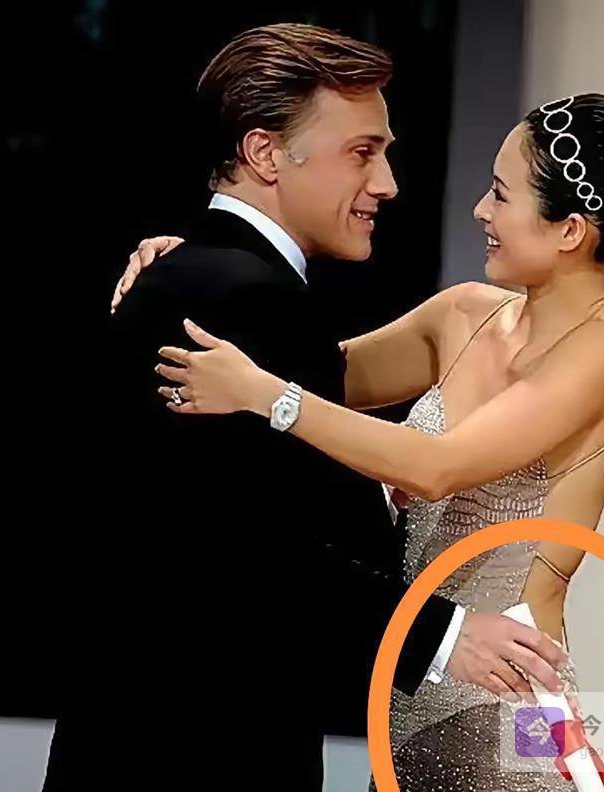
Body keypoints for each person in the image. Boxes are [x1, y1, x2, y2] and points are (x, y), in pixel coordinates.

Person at [119, 92, 604, 789]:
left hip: (508, 698)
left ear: (570, 230)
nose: (481, 211)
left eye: (501, 195)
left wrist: (264, 394)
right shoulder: (463, 314)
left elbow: (435, 467)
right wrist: (194, 274)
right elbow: (312, 368)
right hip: (410, 691)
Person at [98, 23, 570, 792]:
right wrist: (444, 636)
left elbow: (227, 503)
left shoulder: (192, 278)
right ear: (265, 154)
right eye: (361, 152)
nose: (388, 184)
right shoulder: (244, 296)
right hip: (204, 748)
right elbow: (244, 551)